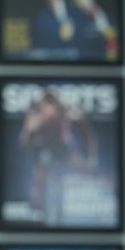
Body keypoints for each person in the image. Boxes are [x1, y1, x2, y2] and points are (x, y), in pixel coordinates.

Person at [17, 89, 97, 222]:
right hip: (42, 148)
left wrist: (92, 157)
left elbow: (88, 133)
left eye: (53, 103)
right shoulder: (34, 114)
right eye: (46, 103)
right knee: (40, 177)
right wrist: (35, 130)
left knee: (85, 170)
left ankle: (88, 201)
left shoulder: (67, 111)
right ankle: (35, 210)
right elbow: (24, 139)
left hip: (62, 147)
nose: (50, 108)